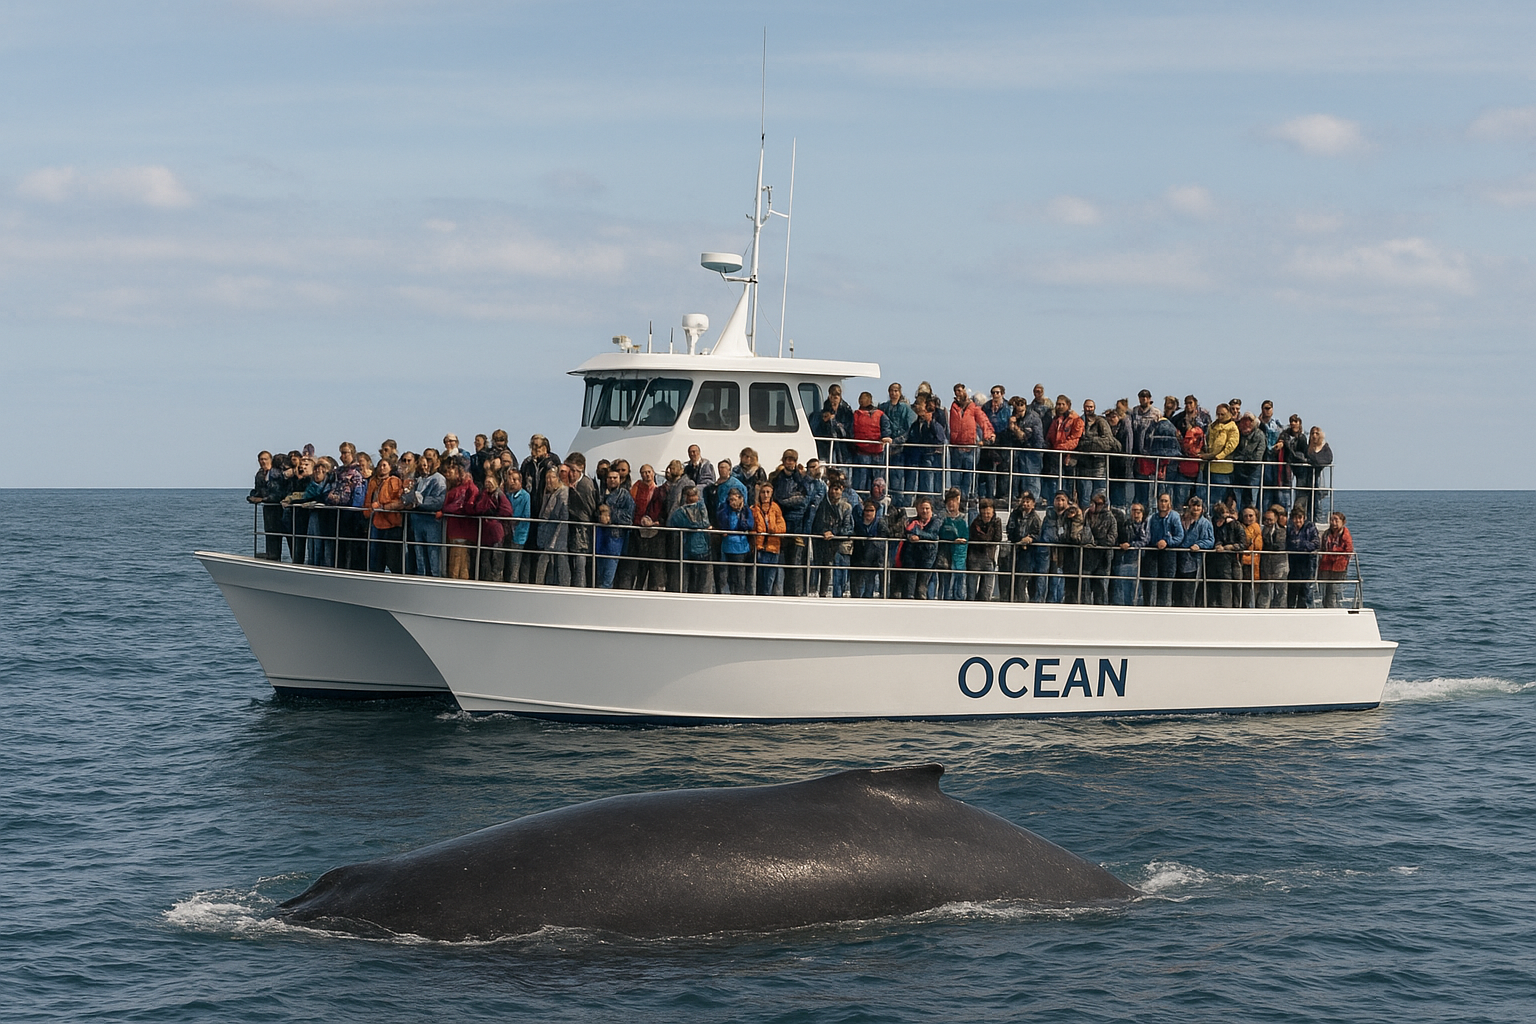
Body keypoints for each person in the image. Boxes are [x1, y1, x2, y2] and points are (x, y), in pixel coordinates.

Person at [770, 450, 812, 596]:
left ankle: (794, 594)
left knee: (795, 564)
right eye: (787, 459)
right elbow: (774, 498)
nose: (790, 462)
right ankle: (777, 593)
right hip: (779, 525)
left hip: (797, 526)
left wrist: (784, 501)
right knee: (777, 562)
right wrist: (788, 499)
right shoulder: (776, 478)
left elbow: (803, 500)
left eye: (792, 460)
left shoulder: (801, 480)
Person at [947, 383, 994, 499]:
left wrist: (988, 437)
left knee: (969, 476)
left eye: (960, 390)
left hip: (970, 447)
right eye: (956, 391)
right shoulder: (953, 407)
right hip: (956, 447)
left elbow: (984, 422)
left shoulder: (973, 407)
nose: (959, 393)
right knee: (955, 477)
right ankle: (955, 499)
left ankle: (966, 499)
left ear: (965, 391)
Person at [439, 456, 480, 581]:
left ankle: (457, 584)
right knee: (458, 560)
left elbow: (460, 506)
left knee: (458, 561)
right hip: (456, 530)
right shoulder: (458, 488)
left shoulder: (468, 489)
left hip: (461, 530)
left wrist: (445, 509)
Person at [811, 480, 854, 597]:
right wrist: (824, 532)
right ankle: (814, 592)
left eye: (837, 489)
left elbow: (848, 528)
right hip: (820, 541)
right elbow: (815, 521)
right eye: (832, 489)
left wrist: (834, 533)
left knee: (834, 572)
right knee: (817, 566)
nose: (834, 492)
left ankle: (834, 594)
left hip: (838, 544)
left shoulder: (846, 507)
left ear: (842, 490)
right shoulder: (822, 504)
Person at [668, 485, 714, 594]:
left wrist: (695, 525)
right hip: (688, 548)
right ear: (685, 496)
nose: (693, 498)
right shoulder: (680, 512)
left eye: (695, 495)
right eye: (690, 495)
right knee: (690, 576)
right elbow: (675, 523)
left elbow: (705, 522)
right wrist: (698, 526)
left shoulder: (701, 506)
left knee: (702, 577)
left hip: (703, 547)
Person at [1076, 400, 1120, 509]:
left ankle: (1103, 517)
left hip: (1099, 465)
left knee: (1100, 495)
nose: (1089, 409)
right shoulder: (1079, 421)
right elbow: (1077, 442)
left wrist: (1090, 442)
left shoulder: (1101, 421)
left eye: (1091, 407)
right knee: (1085, 497)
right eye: (1087, 406)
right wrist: (1093, 443)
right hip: (1084, 465)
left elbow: (1108, 441)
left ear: (1094, 407)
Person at [364, 457, 405, 574]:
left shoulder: (394, 481)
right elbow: (368, 498)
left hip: (391, 524)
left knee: (392, 557)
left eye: (384, 465)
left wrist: (380, 504)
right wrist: (367, 511)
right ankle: (374, 576)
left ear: (390, 468)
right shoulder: (373, 481)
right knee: (375, 556)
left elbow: (397, 499)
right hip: (376, 522)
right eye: (380, 465)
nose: (382, 468)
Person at [629, 464, 666, 592]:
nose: (647, 474)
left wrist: (656, 522)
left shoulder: (658, 490)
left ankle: (653, 588)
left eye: (649, 471)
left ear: (654, 473)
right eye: (644, 472)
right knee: (641, 563)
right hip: (639, 529)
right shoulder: (636, 488)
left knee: (654, 563)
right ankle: (638, 587)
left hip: (654, 530)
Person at [1046, 490, 1087, 603]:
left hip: (1071, 554)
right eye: (1057, 499)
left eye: (1063, 500)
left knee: (1069, 582)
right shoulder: (1049, 515)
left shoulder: (1072, 516)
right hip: (1054, 554)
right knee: (1054, 581)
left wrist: (1076, 513)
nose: (1060, 502)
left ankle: (1067, 602)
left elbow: (1074, 534)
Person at [564, 453, 598, 588]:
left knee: (580, 564)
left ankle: (580, 588)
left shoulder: (586, 485)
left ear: (581, 469)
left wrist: (574, 493)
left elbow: (590, 508)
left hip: (582, 531)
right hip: (570, 529)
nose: (570, 474)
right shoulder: (567, 483)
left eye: (573, 470)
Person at [906, 398, 947, 508]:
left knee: (928, 479)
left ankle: (928, 501)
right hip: (917, 456)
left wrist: (930, 424)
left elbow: (940, 439)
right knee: (916, 479)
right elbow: (912, 437)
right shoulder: (916, 424)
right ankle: (914, 501)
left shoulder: (935, 425)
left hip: (930, 456)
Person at [879, 383, 915, 507]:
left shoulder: (906, 409)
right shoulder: (883, 407)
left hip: (900, 449)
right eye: (891, 391)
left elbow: (910, 428)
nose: (893, 393)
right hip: (885, 447)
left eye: (896, 391)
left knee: (897, 477)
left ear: (900, 392)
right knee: (884, 475)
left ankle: (898, 505)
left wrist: (897, 441)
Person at [533, 467, 570, 587]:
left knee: (560, 561)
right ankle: (540, 584)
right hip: (545, 532)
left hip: (558, 532)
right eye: (547, 478)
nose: (549, 480)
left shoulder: (563, 491)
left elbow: (563, 514)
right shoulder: (547, 493)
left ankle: (564, 585)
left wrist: (557, 534)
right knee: (544, 561)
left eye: (552, 477)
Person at [1006, 491, 1046, 603]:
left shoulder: (1036, 518)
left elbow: (1038, 534)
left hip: (1030, 552)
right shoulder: (1015, 514)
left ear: (1033, 503)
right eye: (1023, 501)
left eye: (1028, 501)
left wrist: (1030, 539)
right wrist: (1019, 540)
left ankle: (1028, 601)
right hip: (1015, 549)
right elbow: (1010, 529)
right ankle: (1017, 600)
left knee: (1027, 578)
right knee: (1015, 578)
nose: (1025, 504)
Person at [1044, 394, 1083, 508]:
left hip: (1069, 455)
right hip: (1055, 455)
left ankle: (1068, 502)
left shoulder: (1076, 420)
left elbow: (1075, 439)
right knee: (1054, 479)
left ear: (1068, 405)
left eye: (1062, 404)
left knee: (1068, 481)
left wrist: (1059, 449)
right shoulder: (1056, 420)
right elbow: (1050, 435)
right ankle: (1054, 502)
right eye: (1058, 404)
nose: (1060, 406)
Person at [1147, 492, 1185, 607]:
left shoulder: (1174, 516)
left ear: (1170, 503)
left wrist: (1167, 542)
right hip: (1154, 554)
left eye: (1166, 501)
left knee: (1166, 586)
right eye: (1161, 501)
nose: (1163, 503)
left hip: (1169, 554)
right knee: (1152, 585)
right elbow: (1149, 536)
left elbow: (1180, 536)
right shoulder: (1153, 518)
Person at [248, 451, 287, 561]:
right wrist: (252, 497)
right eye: (261, 459)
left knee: (283, 533)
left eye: (265, 459)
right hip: (268, 508)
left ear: (270, 459)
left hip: (279, 507)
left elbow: (279, 493)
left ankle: (293, 559)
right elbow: (258, 490)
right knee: (269, 532)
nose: (263, 461)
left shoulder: (277, 473)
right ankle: (272, 555)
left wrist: (263, 499)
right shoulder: (260, 474)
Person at [472, 469, 511, 582]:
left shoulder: (499, 495)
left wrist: (495, 513)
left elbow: (507, 511)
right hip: (485, 533)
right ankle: (485, 581)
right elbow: (477, 508)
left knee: (496, 560)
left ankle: (497, 582)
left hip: (496, 533)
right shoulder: (483, 494)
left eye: (490, 480)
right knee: (485, 560)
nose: (488, 483)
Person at [900, 498, 942, 599]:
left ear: (931, 509)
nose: (924, 511)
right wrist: (911, 536)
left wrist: (918, 534)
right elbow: (907, 532)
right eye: (922, 508)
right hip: (912, 557)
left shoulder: (936, 521)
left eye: (927, 508)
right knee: (909, 590)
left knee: (921, 589)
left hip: (928, 558)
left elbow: (933, 535)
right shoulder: (912, 520)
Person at [1207, 500, 1247, 608]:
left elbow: (1243, 543)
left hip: (1233, 561)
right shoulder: (1211, 524)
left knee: (1233, 588)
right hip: (1214, 562)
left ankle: (1230, 609)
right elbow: (1214, 538)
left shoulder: (1235, 525)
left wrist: (1231, 547)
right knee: (1214, 589)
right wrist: (1218, 545)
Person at [1082, 490, 1119, 605]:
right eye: (1094, 502)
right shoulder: (1087, 515)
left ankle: (1100, 609)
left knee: (1100, 586)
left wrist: (1097, 543)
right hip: (1088, 556)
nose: (1095, 505)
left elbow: (1112, 537)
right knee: (1085, 586)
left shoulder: (1110, 518)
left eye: (1098, 503)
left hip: (1103, 556)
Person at [849, 392, 890, 494]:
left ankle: (877, 496)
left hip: (877, 451)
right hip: (861, 451)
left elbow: (886, 428)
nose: (862, 401)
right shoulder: (855, 415)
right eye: (861, 399)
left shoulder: (880, 415)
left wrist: (885, 437)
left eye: (864, 399)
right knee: (861, 479)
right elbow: (850, 430)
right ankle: (861, 497)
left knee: (876, 480)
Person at [1176, 496, 1214, 607]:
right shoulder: (1181, 520)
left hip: (1194, 562)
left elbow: (1210, 541)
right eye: (1193, 506)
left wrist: (1199, 545)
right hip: (1178, 559)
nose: (1196, 508)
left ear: (1202, 508)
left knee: (1189, 591)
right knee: (1177, 591)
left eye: (1198, 506)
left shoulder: (1205, 523)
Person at [600, 468, 635, 590]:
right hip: (600, 535)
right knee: (599, 569)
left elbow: (629, 518)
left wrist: (610, 515)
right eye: (610, 478)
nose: (612, 480)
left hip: (615, 537)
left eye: (615, 477)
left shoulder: (624, 495)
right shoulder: (601, 494)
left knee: (609, 573)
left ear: (620, 480)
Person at [749, 482, 787, 596]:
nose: (765, 495)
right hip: (759, 548)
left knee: (769, 579)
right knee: (758, 578)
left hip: (773, 548)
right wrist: (756, 533)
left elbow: (782, 527)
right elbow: (751, 526)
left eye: (768, 492)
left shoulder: (775, 508)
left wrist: (772, 529)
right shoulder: (754, 509)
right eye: (763, 492)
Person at [1006, 395, 1045, 503]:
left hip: (1033, 451)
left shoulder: (1033, 417)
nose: (1018, 412)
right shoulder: (1015, 416)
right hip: (1021, 451)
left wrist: (1014, 426)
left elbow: (1024, 436)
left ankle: (1034, 501)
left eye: (1021, 409)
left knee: (1032, 478)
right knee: (1022, 479)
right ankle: (1023, 500)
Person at [715, 487, 754, 595]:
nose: (732, 502)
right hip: (728, 545)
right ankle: (728, 592)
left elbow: (750, 525)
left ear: (740, 498)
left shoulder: (746, 510)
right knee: (727, 574)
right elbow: (722, 522)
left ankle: (739, 593)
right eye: (730, 500)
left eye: (734, 499)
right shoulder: (724, 509)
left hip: (741, 547)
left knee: (739, 574)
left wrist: (741, 516)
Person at [1201, 404, 1240, 509]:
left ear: (1228, 414)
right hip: (1208, 468)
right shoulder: (1212, 426)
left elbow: (1231, 446)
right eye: (1218, 414)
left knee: (1217, 502)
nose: (1219, 416)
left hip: (1223, 470)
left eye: (1222, 414)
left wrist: (1218, 457)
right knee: (1204, 500)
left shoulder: (1232, 428)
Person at [978, 386, 1013, 499]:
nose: (995, 395)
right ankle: (987, 494)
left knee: (1003, 468)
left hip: (1004, 439)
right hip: (990, 439)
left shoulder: (1008, 407)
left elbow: (1009, 424)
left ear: (1002, 393)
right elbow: (983, 421)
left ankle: (1001, 495)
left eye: (997, 392)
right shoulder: (986, 407)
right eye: (993, 392)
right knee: (987, 468)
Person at [936, 488, 970, 600]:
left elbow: (965, 535)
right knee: (944, 583)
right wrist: (953, 538)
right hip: (944, 555)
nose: (951, 503)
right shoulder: (942, 517)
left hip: (959, 555)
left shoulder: (964, 518)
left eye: (954, 500)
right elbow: (941, 533)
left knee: (959, 582)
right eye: (949, 500)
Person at [1113, 502, 1149, 606]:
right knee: (1125, 588)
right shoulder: (1125, 524)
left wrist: (1130, 544)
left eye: (1138, 511)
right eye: (1134, 511)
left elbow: (1145, 541)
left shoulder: (1146, 525)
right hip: (1126, 560)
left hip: (1141, 560)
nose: (1136, 514)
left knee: (1138, 589)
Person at [1231, 413, 1267, 512]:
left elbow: (1258, 457)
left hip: (1253, 471)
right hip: (1239, 471)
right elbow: (1236, 454)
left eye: (1247, 423)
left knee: (1252, 497)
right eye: (1243, 423)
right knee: (1237, 497)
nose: (1244, 425)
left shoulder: (1259, 435)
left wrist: (1244, 458)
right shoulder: (1239, 434)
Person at [850, 500, 886, 599]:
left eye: (871, 510)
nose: (868, 513)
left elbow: (884, 537)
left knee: (869, 584)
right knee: (856, 585)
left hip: (874, 558)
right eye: (866, 510)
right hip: (859, 557)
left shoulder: (880, 523)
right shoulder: (858, 523)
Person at [1285, 505, 1320, 608]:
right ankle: (1290, 610)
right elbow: (1288, 544)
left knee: (1305, 590)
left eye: (1300, 518)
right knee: (1292, 590)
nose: (1297, 521)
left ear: (1304, 518)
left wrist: (1301, 544)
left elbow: (1316, 543)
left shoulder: (1310, 527)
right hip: (1293, 563)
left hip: (1307, 563)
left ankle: (1304, 610)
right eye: (1295, 518)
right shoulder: (1290, 529)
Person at [968, 498, 1002, 601]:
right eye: (984, 513)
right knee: (971, 590)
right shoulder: (975, 523)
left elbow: (997, 538)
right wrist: (986, 538)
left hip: (989, 557)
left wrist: (984, 537)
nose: (986, 516)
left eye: (988, 513)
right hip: (975, 557)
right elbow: (974, 537)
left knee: (986, 590)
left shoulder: (997, 521)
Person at [1319, 510, 1354, 607]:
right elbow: (1323, 547)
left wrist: (1336, 554)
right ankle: (1325, 607)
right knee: (1324, 591)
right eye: (1331, 520)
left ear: (1343, 522)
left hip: (1338, 567)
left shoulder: (1345, 535)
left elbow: (1349, 550)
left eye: (1336, 520)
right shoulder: (1326, 534)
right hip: (1325, 566)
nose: (1333, 523)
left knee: (1333, 591)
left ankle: (1331, 608)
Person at [814, 383, 854, 465]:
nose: (835, 398)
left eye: (837, 395)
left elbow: (848, 430)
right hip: (827, 447)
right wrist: (825, 421)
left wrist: (833, 421)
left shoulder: (846, 411)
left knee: (843, 472)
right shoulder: (824, 411)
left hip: (843, 448)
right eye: (833, 395)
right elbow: (818, 430)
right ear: (829, 396)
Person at [1258, 505, 1289, 609]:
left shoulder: (1283, 530)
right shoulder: (1263, 530)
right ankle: (1263, 610)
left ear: (1276, 519)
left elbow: (1280, 545)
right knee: (1265, 590)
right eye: (1266, 519)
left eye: (1270, 519)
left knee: (1281, 590)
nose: (1268, 522)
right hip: (1266, 564)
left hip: (1280, 564)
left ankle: (1280, 610)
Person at [1238, 505, 1263, 608]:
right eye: (1245, 516)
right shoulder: (1240, 527)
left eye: (1251, 516)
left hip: (1254, 563)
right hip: (1244, 563)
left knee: (1251, 593)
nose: (1248, 518)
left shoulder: (1256, 528)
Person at [593, 505, 622, 589]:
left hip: (612, 548)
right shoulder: (601, 493)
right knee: (600, 579)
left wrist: (610, 518)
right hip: (600, 547)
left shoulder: (625, 496)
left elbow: (627, 517)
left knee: (607, 581)